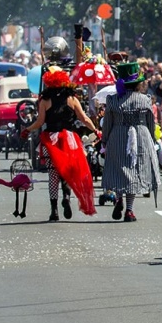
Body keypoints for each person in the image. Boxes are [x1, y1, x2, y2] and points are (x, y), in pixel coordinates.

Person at [21, 68, 98, 221]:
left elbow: (40, 122)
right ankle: (67, 197)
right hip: (69, 139)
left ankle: (54, 210)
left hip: (51, 139)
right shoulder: (72, 98)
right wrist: (96, 130)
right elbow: (84, 119)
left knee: (53, 174)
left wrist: (27, 129)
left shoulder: (44, 100)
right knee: (68, 171)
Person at [102, 61, 161, 222]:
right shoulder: (145, 99)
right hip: (141, 136)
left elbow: (107, 122)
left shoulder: (113, 100)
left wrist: (104, 140)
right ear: (137, 83)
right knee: (135, 171)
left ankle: (119, 198)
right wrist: (153, 139)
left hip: (117, 135)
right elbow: (150, 122)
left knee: (120, 169)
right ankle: (129, 209)